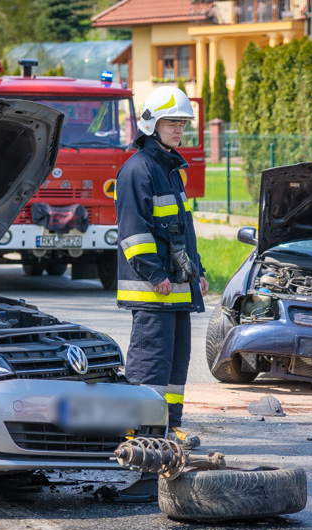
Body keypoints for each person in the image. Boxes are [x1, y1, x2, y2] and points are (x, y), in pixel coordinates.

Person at [115, 86, 208, 450]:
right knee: (150, 367)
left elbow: (182, 232)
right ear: (151, 124)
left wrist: (196, 271)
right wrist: (155, 275)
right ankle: (141, 435)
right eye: (172, 122)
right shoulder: (138, 170)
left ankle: (168, 429)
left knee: (173, 369)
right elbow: (133, 234)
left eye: (182, 123)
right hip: (154, 291)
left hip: (176, 288)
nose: (178, 130)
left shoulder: (169, 169)